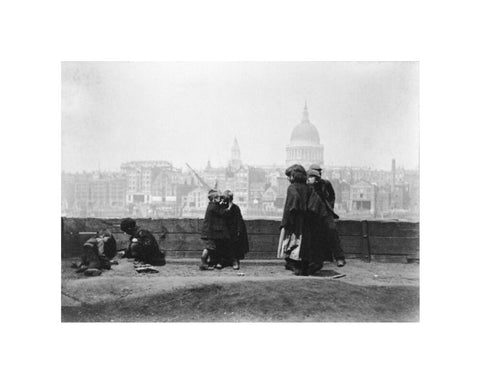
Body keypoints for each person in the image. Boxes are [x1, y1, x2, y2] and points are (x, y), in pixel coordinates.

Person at [278, 164, 318, 276]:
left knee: (292, 242)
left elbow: (293, 203)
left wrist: (287, 221)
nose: (288, 178)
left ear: (294, 176)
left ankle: (294, 266)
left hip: (294, 221)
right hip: (307, 221)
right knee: (304, 244)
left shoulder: (292, 188)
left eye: (289, 176)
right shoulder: (309, 188)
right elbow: (315, 205)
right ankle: (303, 267)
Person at [307, 166, 346, 267]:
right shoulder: (307, 186)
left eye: (319, 172)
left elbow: (332, 196)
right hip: (313, 213)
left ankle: (339, 257)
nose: (319, 174)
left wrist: (330, 207)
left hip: (325, 212)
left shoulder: (325, 183)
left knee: (332, 230)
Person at [199, 189, 232, 270]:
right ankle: (203, 263)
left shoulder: (211, 205)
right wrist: (230, 205)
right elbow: (223, 213)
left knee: (210, 247)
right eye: (219, 197)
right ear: (214, 199)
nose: (220, 199)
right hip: (209, 232)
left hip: (208, 231)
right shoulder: (214, 207)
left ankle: (205, 263)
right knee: (209, 247)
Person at [222, 190, 249, 270]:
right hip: (224, 230)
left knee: (234, 244)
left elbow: (239, 220)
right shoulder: (222, 207)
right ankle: (223, 261)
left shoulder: (235, 208)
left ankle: (234, 261)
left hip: (232, 231)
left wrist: (239, 230)